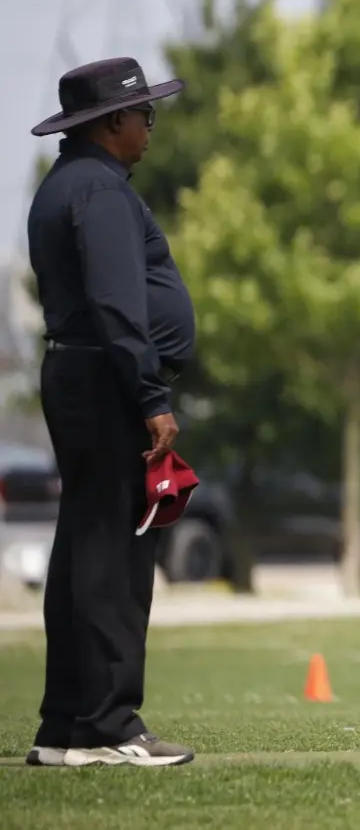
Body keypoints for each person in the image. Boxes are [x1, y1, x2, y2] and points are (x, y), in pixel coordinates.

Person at [24, 57, 196, 767]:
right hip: (106, 381)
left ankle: (65, 727)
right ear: (111, 123)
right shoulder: (98, 192)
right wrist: (151, 397)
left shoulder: (67, 184)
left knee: (85, 547)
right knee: (114, 556)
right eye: (143, 115)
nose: (150, 128)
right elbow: (118, 305)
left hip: (81, 373)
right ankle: (108, 727)